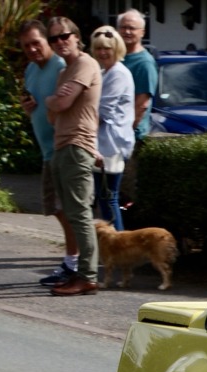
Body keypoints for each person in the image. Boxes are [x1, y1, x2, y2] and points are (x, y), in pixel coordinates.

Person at [16, 20, 79, 286]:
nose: (32, 49)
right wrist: (28, 108)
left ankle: (74, 263)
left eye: (36, 43)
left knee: (67, 209)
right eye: (26, 45)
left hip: (63, 148)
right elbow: (36, 105)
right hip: (46, 150)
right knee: (56, 209)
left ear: (47, 41)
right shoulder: (31, 69)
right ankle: (72, 261)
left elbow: (70, 104)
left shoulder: (61, 68)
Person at [44, 16, 102, 297]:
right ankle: (80, 273)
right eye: (53, 39)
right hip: (62, 145)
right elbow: (53, 116)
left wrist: (51, 99)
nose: (59, 43)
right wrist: (52, 101)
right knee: (70, 212)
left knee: (79, 214)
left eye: (63, 36)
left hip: (77, 146)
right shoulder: (64, 72)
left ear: (77, 36)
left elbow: (62, 103)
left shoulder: (85, 64)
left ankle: (88, 276)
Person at [89, 26, 135, 230]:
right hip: (102, 144)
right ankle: (112, 248)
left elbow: (102, 110)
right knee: (103, 197)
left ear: (116, 49)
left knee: (110, 198)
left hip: (113, 145)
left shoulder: (118, 73)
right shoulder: (104, 72)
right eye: (98, 48)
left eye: (107, 48)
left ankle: (118, 246)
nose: (102, 52)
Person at [117, 9, 156, 204]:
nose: (127, 32)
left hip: (129, 138)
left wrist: (122, 134)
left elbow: (141, 105)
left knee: (125, 194)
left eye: (132, 28)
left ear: (142, 32)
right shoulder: (116, 57)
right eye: (123, 27)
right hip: (112, 135)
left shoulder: (144, 63)